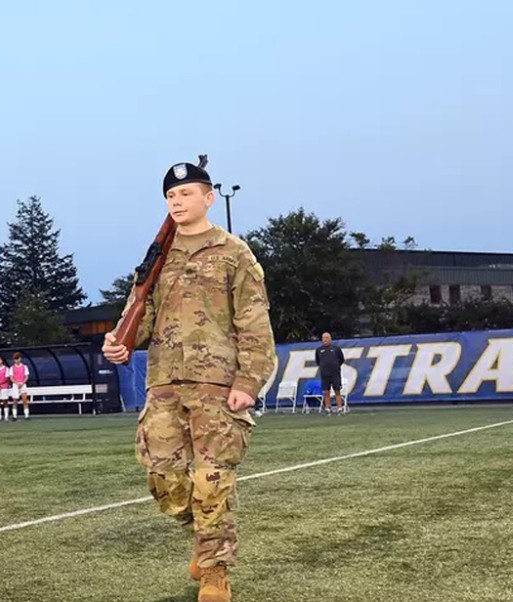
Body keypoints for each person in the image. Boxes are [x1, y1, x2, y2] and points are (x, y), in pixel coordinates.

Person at [102, 161, 276, 602]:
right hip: (163, 384)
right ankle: (203, 537)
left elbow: (255, 325)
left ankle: (216, 570)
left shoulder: (234, 252)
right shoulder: (157, 257)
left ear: (208, 198)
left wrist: (249, 383)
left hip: (217, 385)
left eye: (186, 194)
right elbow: (139, 318)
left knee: (213, 479)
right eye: (171, 197)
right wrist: (120, 342)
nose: (177, 203)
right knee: (164, 479)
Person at [316, 332, 347, 415]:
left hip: (335, 374)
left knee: (337, 390)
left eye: (327, 338)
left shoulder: (336, 349)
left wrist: (336, 366)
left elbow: (341, 359)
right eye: (323, 338)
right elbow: (318, 361)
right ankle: (328, 408)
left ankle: (339, 408)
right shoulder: (319, 350)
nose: (325, 339)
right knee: (326, 392)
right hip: (325, 374)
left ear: (330, 339)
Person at [11, 352, 31, 420]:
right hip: (15, 385)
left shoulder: (24, 367)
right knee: (15, 401)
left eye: (18, 358)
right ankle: (14, 416)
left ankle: (26, 416)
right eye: (15, 359)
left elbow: (26, 376)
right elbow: (11, 378)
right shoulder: (12, 367)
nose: (16, 360)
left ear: (20, 359)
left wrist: (22, 383)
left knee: (24, 400)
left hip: (23, 384)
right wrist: (17, 383)